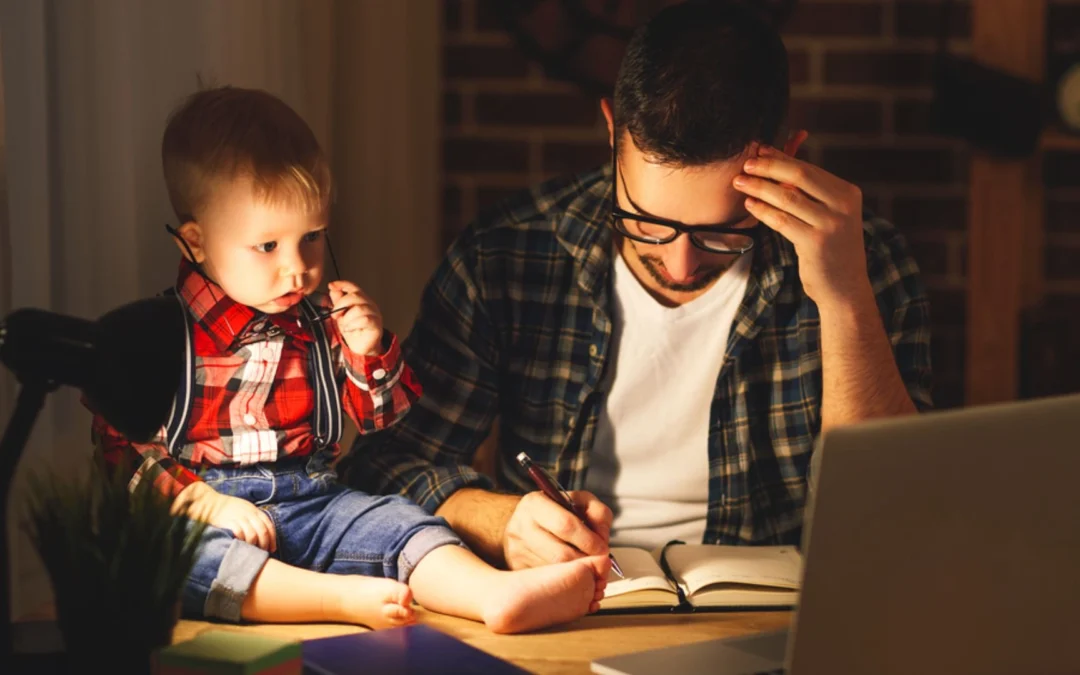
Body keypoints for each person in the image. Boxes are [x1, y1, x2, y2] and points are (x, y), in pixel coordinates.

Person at [342, 2, 931, 569]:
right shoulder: (508, 254)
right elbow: (386, 462)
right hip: (574, 609)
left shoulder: (862, 262)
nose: (679, 265)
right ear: (611, 131)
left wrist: (845, 299)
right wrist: (502, 522)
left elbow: (893, 515)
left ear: (788, 157)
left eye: (722, 232)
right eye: (647, 223)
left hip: (776, 625)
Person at [87, 86, 608, 634]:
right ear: (195, 243)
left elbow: (382, 420)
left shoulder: (320, 325)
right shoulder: (161, 336)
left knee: (399, 520)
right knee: (178, 558)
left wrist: (368, 352)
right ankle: (332, 597)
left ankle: (491, 593)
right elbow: (120, 444)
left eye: (311, 237)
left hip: (317, 499)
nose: (298, 269)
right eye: (268, 246)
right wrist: (200, 501)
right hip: (214, 510)